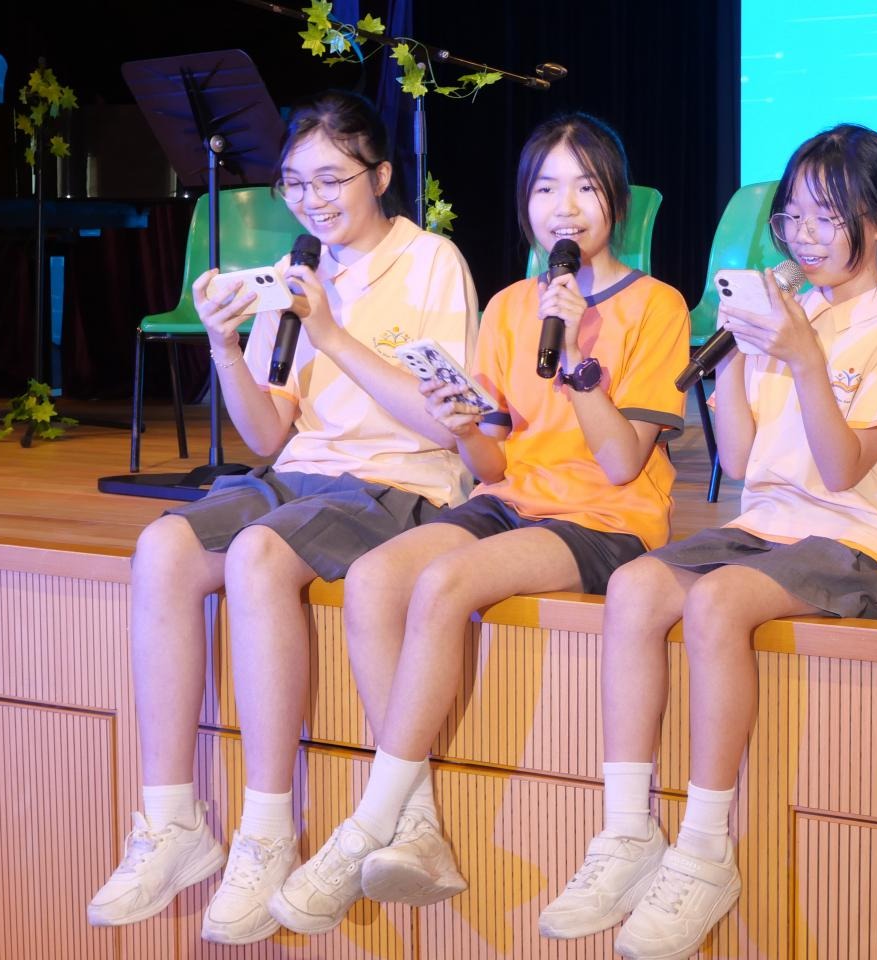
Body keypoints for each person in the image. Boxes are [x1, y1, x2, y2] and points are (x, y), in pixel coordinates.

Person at [262, 112, 692, 934]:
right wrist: (462, 425)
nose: (565, 208)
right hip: (511, 501)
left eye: (585, 187)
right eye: (545, 189)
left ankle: (367, 825)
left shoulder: (657, 305)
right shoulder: (508, 306)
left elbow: (619, 464)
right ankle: (412, 821)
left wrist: (577, 365)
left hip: (607, 519)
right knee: (377, 574)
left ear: (617, 199)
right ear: (525, 204)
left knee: (446, 580)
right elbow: (493, 467)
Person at [540, 123, 877, 959]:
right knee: (636, 586)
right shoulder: (787, 314)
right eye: (793, 216)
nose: (805, 236)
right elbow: (737, 460)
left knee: (718, 601)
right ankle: (627, 833)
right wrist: (730, 362)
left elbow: (840, 470)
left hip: (857, 542)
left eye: (830, 217)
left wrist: (803, 359)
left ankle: (704, 850)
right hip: (763, 527)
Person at [86, 90, 478, 945]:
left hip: (398, 482)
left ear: (381, 176)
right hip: (301, 476)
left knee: (258, 554)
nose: (311, 199)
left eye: (332, 179)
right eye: (295, 182)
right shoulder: (294, 273)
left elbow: (444, 423)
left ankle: (266, 834)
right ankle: (171, 820)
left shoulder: (430, 261)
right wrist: (225, 344)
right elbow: (267, 436)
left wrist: (330, 331)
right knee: (163, 545)